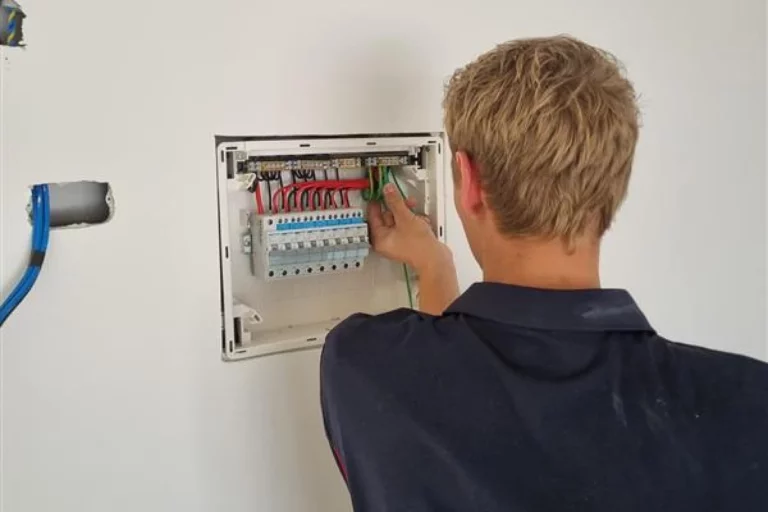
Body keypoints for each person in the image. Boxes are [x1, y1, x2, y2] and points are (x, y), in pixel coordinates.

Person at [320, 36, 768, 512]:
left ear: (468, 181)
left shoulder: (363, 365)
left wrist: (435, 265)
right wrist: (436, 264)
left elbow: (442, 383)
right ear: (613, 187)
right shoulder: (747, 403)